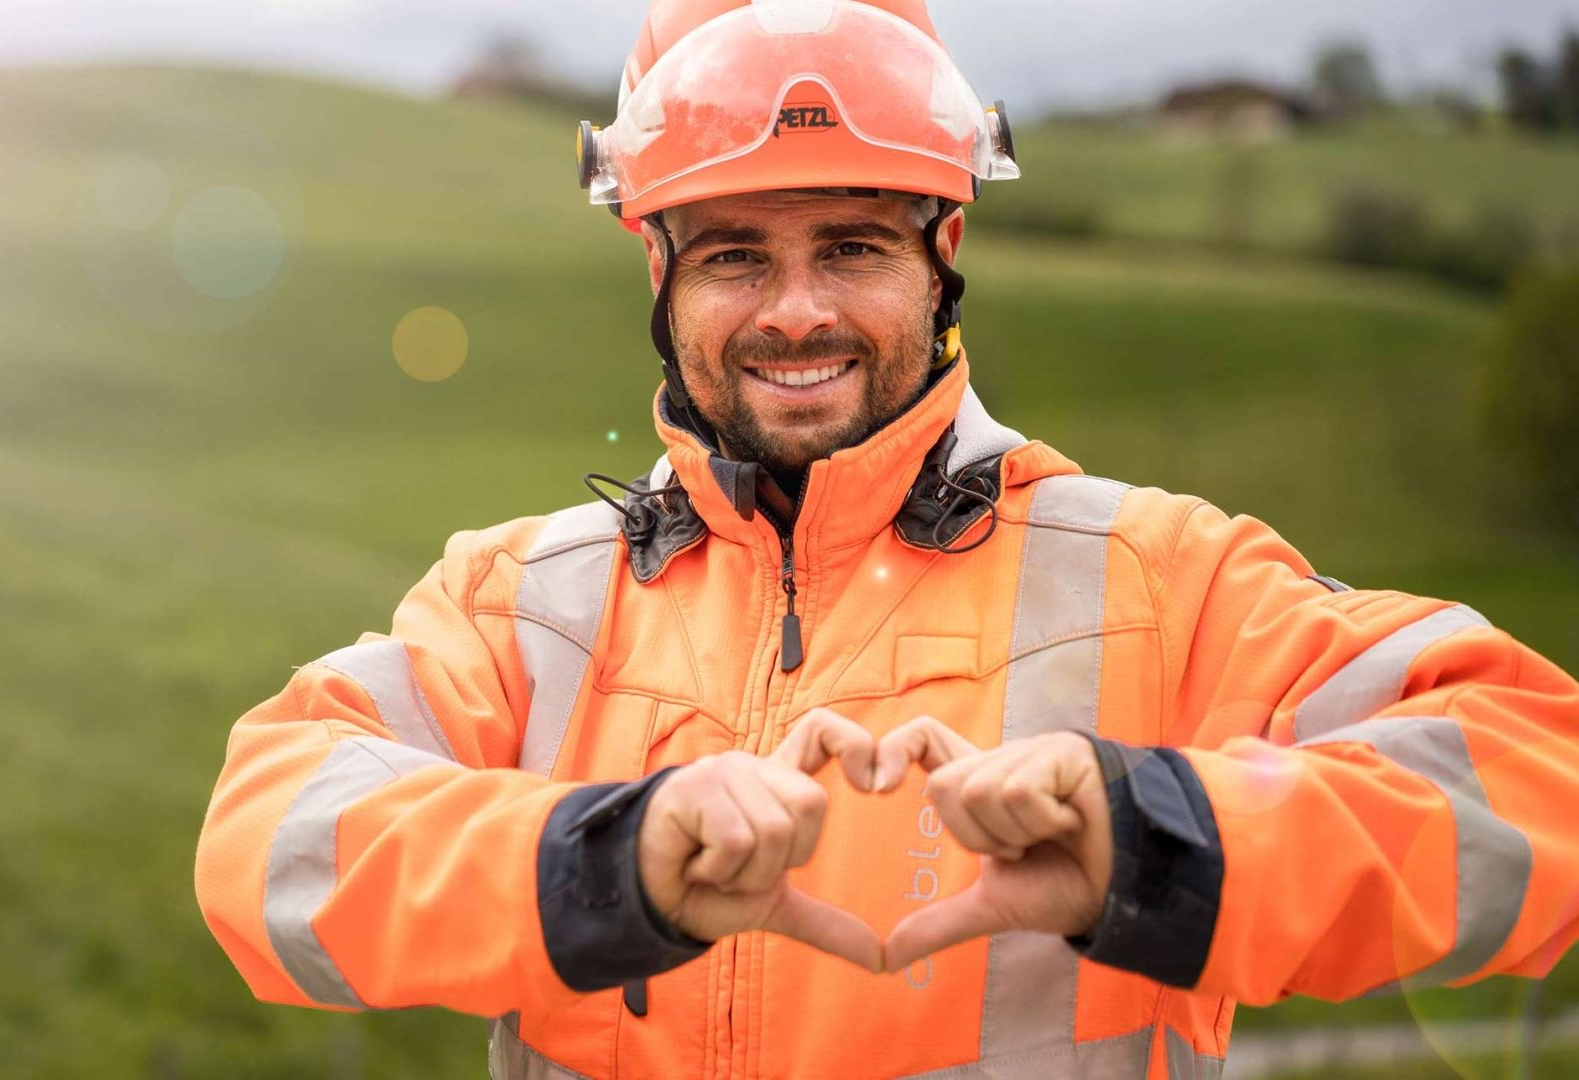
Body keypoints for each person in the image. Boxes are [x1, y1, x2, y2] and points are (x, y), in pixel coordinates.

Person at [194, 2, 1579, 1076]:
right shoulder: (525, 601)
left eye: (853, 246)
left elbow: (1540, 777)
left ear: (944, 252)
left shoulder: (1158, 576)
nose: (798, 309)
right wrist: (606, 855)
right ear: (659, 271)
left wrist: (1148, 835)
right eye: (736, 251)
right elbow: (269, 841)